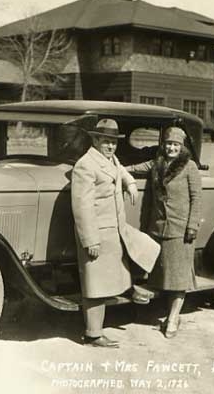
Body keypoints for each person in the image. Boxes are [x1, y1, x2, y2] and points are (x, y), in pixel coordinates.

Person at [71, 118, 152, 348]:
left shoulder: (109, 159)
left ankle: (130, 289)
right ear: (95, 140)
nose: (110, 146)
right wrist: (90, 240)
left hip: (114, 229)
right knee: (95, 285)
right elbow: (82, 206)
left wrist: (131, 183)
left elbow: (119, 170)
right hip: (97, 233)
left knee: (142, 249)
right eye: (106, 141)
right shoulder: (86, 165)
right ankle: (93, 335)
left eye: (113, 142)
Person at [127, 127, 202, 338]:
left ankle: (172, 318)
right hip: (158, 228)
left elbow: (196, 198)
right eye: (168, 144)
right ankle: (168, 312)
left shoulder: (189, 167)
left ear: (182, 147)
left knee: (178, 278)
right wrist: (118, 169)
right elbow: (136, 168)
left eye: (176, 145)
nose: (171, 148)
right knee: (163, 276)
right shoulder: (157, 163)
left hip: (181, 229)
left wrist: (192, 226)